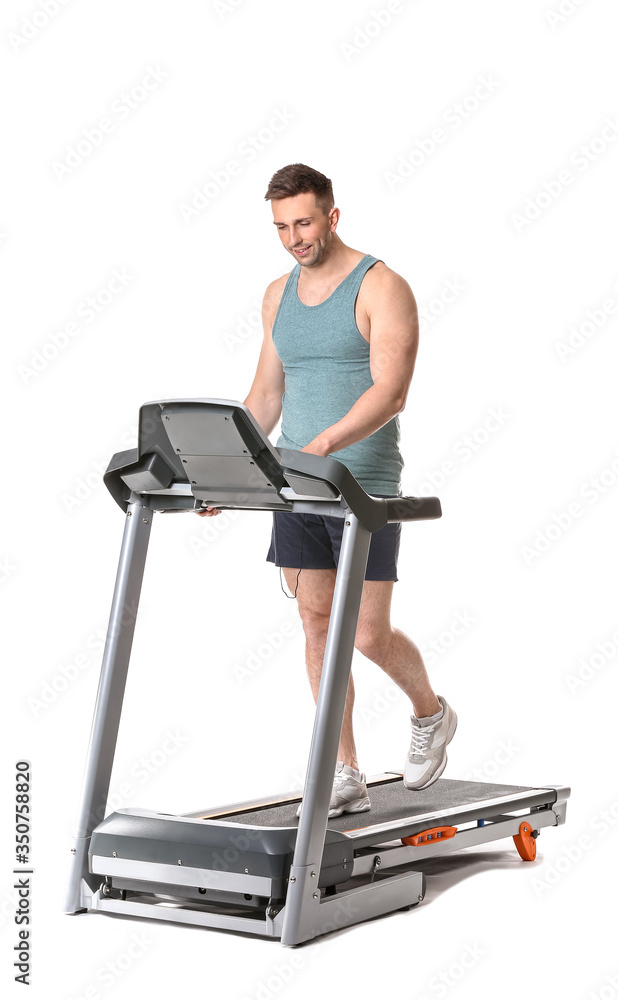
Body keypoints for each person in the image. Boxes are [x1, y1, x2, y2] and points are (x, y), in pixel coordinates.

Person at [199, 163, 456, 818]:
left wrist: (325, 446)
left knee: (366, 634)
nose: (294, 238)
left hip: (362, 486)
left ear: (333, 216)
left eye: (304, 222)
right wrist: (227, 470)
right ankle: (344, 769)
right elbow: (265, 395)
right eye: (282, 227)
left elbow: (390, 391)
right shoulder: (275, 295)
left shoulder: (382, 286)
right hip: (296, 489)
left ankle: (431, 714)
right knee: (316, 623)